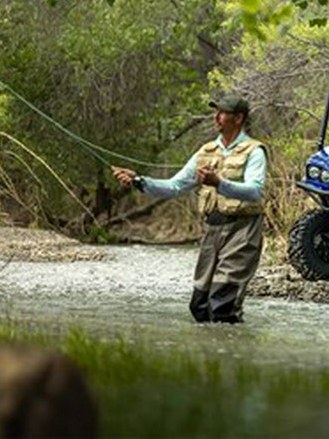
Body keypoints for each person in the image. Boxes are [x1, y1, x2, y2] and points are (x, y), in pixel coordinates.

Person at [112, 95, 267, 324]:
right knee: (200, 307)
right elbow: (174, 186)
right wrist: (138, 181)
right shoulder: (205, 152)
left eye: (222, 112)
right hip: (212, 230)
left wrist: (220, 183)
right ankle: (210, 356)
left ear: (238, 118)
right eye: (216, 112)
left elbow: (255, 191)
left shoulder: (254, 152)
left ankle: (232, 356)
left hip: (242, 231)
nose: (216, 117)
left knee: (222, 305)